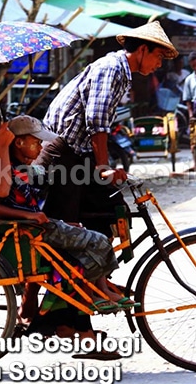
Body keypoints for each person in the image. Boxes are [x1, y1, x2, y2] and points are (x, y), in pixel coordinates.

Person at [0, 114, 137, 312]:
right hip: (32, 230)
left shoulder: (27, 170)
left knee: (95, 238)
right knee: (97, 241)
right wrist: (30, 216)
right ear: (19, 142)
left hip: (42, 225)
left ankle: (101, 290)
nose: (41, 149)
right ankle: (93, 293)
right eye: (36, 143)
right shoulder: (7, 171)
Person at [39, 21, 177, 237]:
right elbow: (96, 119)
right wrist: (103, 166)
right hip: (62, 151)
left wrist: (104, 166)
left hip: (80, 153)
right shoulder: (111, 68)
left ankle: (98, 269)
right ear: (143, 49)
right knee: (63, 227)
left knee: (111, 212)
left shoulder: (122, 73)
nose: (159, 64)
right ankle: (67, 270)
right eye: (158, 56)